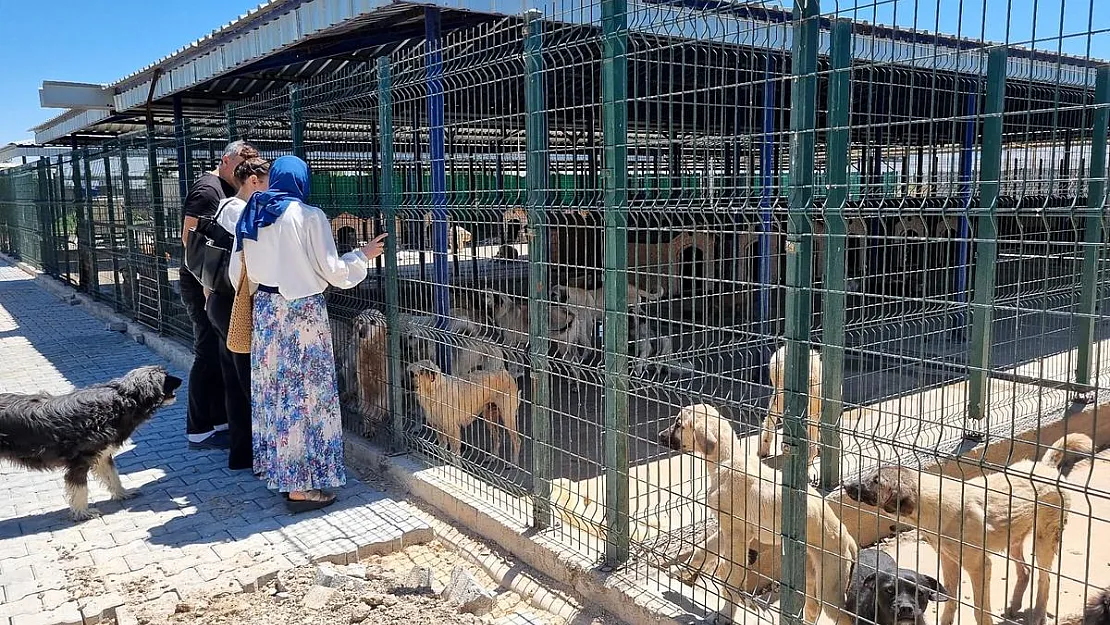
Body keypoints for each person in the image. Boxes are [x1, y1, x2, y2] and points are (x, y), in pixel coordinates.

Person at [230, 155, 387, 511]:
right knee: (306, 398)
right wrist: (362, 255)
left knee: (275, 393)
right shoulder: (308, 216)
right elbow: (333, 272)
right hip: (302, 315)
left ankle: (280, 471)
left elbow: (246, 271)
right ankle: (301, 487)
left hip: (268, 314)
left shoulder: (254, 212)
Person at [180, 140, 258, 450]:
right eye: (238, 164)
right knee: (206, 351)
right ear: (225, 161)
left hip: (212, 283)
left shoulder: (223, 190)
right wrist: (206, 283)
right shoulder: (207, 189)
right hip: (203, 282)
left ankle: (217, 421)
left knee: (220, 352)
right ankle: (198, 427)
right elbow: (190, 239)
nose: (241, 170)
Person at [206, 157, 270, 471]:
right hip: (236, 305)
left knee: (235, 379)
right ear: (254, 181)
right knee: (249, 381)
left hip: (222, 302)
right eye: (268, 180)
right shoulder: (238, 211)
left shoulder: (224, 207)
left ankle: (242, 454)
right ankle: (259, 456)